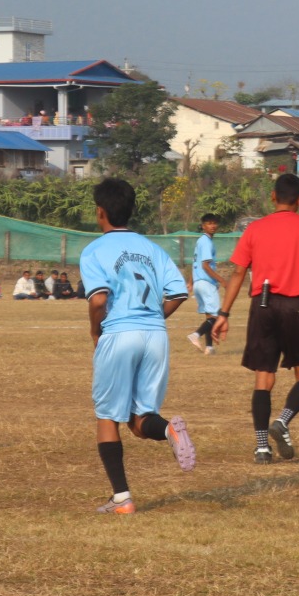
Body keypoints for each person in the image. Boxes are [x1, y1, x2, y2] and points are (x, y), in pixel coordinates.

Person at [80, 177, 197, 514]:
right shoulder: (151, 248)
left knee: (107, 417)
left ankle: (122, 499)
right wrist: (153, 318)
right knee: (139, 419)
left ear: (100, 212)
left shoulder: (94, 250)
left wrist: (96, 331)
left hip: (119, 334)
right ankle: (170, 431)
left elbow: (98, 299)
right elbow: (178, 292)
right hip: (155, 335)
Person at [211, 173, 299, 464]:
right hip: (297, 305)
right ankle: (283, 421)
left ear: (273, 196)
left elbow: (238, 272)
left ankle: (262, 447)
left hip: (262, 306)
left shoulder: (254, 228)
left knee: (263, 377)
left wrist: (223, 313)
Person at [188, 213, 222, 356]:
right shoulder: (206, 241)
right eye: (209, 223)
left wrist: (190, 282)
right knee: (217, 316)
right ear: (203, 226)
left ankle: (209, 347)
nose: (212, 226)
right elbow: (205, 266)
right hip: (206, 282)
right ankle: (196, 334)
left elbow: (195, 263)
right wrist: (222, 280)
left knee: (209, 317)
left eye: (214, 223)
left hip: (198, 283)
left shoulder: (200, 241)